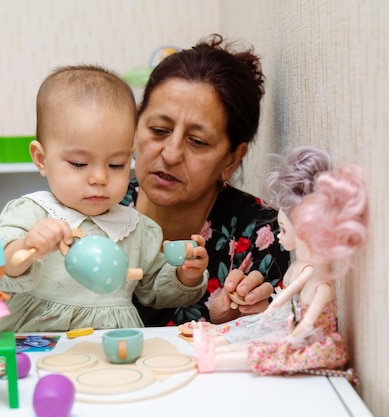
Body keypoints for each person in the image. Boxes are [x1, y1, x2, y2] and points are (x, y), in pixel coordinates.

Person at [0, 64, 209, 332]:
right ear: (42, 159)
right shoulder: (33, 212)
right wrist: (26, 246)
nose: (100, 178)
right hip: (39, 341)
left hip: (111, 343)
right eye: (78, 164)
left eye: (116, 165)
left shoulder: (136, 228)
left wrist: (185, 275)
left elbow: (156, 292)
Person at [121, 34, 291, 326]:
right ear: (135, 127)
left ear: (232, 158)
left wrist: (240, 321)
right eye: (159, 129)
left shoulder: (261, 238)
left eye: (197, 141)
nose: (171, 154)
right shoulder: (93, 207)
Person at [192, 156, 368, 380]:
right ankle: (215, 347)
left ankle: (215, 357)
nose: (278, 236)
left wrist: (292, 334)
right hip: (288, 326)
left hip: (305, 341)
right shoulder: (302, 270)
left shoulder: (321, 285)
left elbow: (307, 322)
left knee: (262, 350)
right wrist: (272, 309)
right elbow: (285, 295)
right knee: (253, 331)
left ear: (305, 234)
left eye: (283, 230)